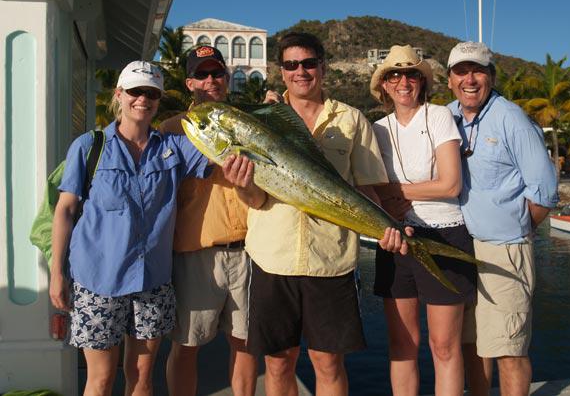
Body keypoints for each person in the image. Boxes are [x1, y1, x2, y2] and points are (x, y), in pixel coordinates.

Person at [224, 31, 406, 396]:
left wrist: (391, 226)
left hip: (331, 260)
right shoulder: (263, 119)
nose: (300, 72)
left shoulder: (352, 120)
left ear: (322, 67)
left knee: (328, 362)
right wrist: (242, 184)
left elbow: (368, 189)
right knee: (277, 363)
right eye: (291, 65)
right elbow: (256, 200)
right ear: (281, 71)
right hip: (274, 259)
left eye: (308, 63)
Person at [49, 61, 211, 396]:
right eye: (136, 91)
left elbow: (222, 149)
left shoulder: (173, 147)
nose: (143, 99)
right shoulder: (89, 146)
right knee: (101, 379)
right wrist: (57, 273)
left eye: (152, 93)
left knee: (141, 378)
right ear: (119, 95)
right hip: (98, 280)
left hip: (152, 280)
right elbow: (65, 210)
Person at [446, 41, 559, 396]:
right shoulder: (446, 116)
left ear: (492, 77)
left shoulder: (510, 117)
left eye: (478, 70)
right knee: (472, 343)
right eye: (461, 71)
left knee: (508, 347)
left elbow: (544, 189)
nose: (470, 79)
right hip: (461, 248)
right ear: (449, 79)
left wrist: (516, 227)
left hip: (504, 250)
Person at [369, 44, 477, 396]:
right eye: (394, 75)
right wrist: (389, 200)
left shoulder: (438, 117)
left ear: (422, 81)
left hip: (444, 236)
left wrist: (397, 194)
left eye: (412, 74)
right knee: (402, 347)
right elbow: (370, 188)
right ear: (384, 84)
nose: (403, 81)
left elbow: (451, 183)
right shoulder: (376, 129)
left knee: (444, 348)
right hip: (395, 239)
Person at [159, 46, 258, 396]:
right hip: (195, 254)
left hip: (250, 251)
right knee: (186, 345)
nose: (210, 80)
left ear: (228, 80)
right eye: (202, 74)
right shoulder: (170, 131)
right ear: (189, 82)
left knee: (245, 343)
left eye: (217, 73)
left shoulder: (250, 127)